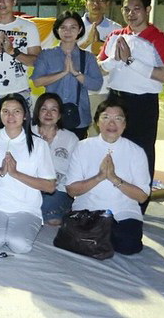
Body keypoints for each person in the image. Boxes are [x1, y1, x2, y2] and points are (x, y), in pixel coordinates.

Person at [97, 0, 164, 191]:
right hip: (115, 99)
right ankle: (111, 194)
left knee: (142, 151)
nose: (131, 14)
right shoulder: (115, 36)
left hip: (143, 103)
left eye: (136, 9)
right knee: (112, 147)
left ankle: (140, 200)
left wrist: (130, 60)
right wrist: (115, 60)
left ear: (147, 10)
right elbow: (101, 66)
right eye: (127, 9)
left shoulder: (159, 39)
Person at [0, 93, 56, 254]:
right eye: (5, 111)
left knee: (20, 246)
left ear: (24, 115)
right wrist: (0, 171)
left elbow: (50, 186)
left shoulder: (38, 144)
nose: (10, 116)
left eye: (16, 111)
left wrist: (15, 173)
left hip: (26, 208)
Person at [66, 99, 151, 255]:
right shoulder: (82, 146)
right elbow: (72, 190)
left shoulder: (136, 151)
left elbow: (142, 196)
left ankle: (100, 237)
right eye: (106, 117)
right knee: (76, 238)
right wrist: (99, 177)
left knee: (129, 246)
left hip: (123, 212)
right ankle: (101, 236)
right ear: (97, 122)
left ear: (125, 124)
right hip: (89, 210)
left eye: (118, 119)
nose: (112, 123)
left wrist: (114, 179)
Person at [32, 12, 102, 139]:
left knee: (76, 155)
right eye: (63, 27)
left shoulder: (88, 57)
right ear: (57, 30)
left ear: (80, 30)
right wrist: (63, 72)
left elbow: (97, 85)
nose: (67, 31)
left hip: (78, 116)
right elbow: (37, 81)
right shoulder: (46, 55)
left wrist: (76, 73)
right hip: (50, 117)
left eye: (73, 27)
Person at [30, 92, 79, 225]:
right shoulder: (27, 133)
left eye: (54, 110)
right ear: (37, 112)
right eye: (44, 109)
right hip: (30, 187)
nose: (48, 113)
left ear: (60, 114)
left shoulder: (70, 138)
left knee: (52, 218)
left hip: (59, 189)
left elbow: (76, 171)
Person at [78, 0, 121, 115]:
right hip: (75, 89)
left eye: (101, 0)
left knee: (96, 132)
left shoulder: (116, 29)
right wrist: (87, 42)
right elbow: (63, 54)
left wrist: (100, 46)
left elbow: (118, 60)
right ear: (86, 3)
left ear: (107, 4)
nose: (96, 4)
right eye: (92, 0)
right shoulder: (73, 25)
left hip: (101, 90)